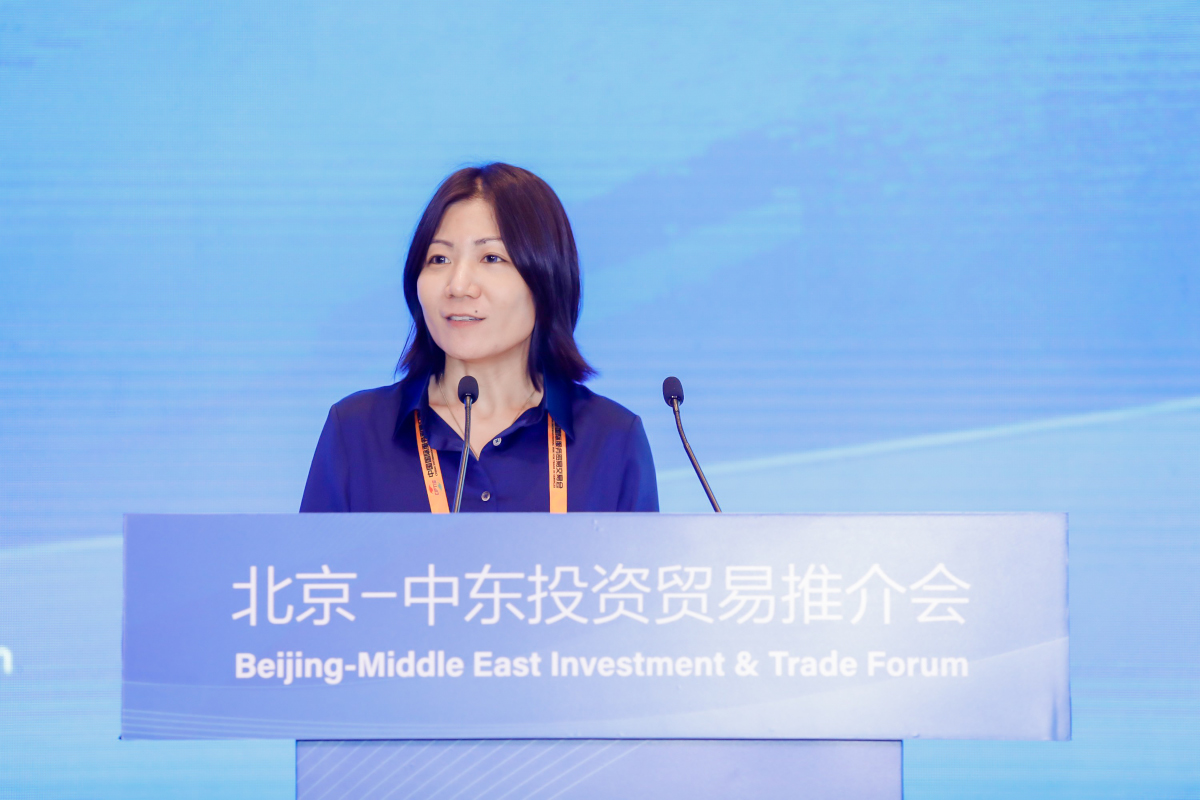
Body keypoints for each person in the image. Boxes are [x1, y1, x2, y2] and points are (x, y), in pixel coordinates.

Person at [300, 163, 658, 513]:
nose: (458, 286)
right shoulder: (356, 432)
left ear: (547, 278)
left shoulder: (611, 439)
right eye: (439, 259)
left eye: (491, 257)